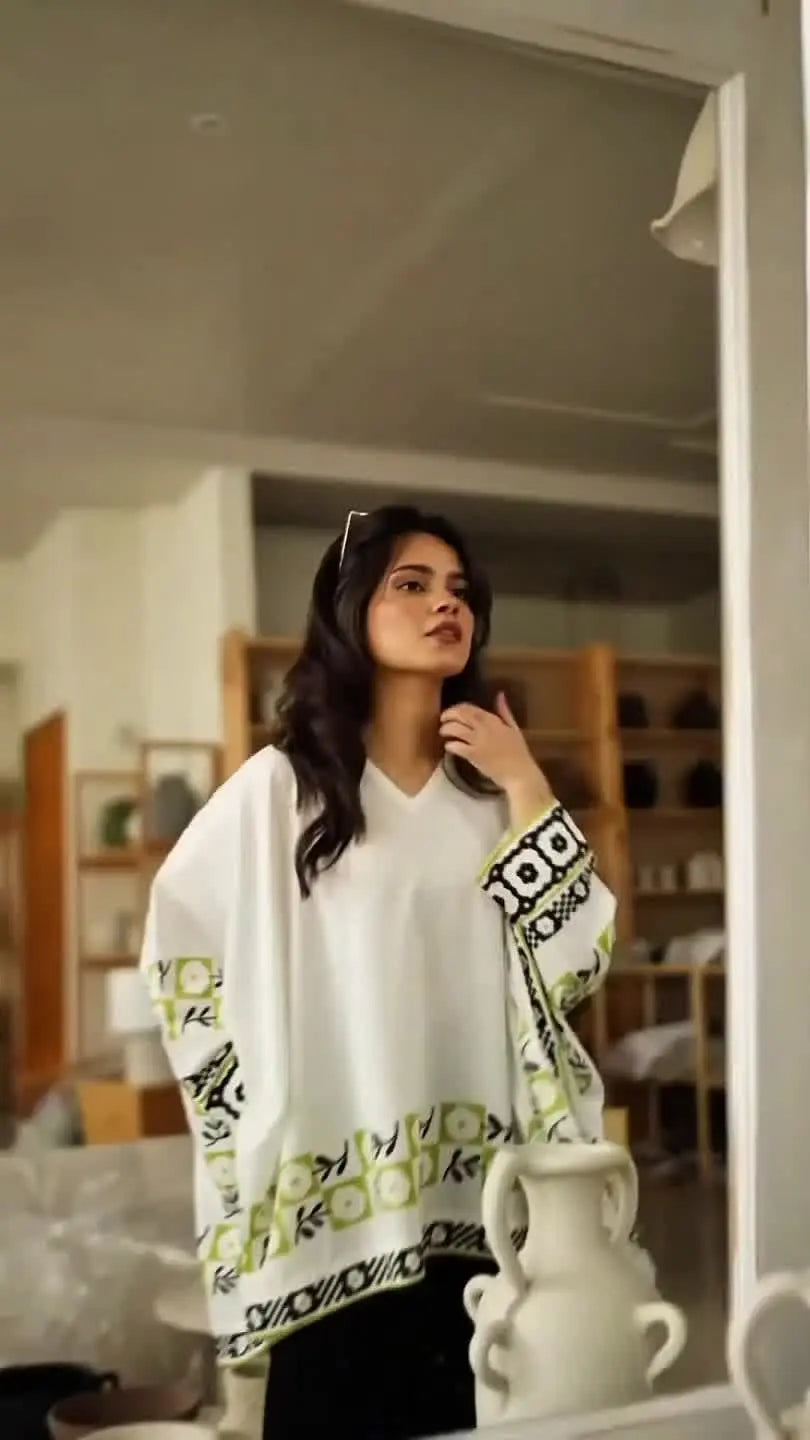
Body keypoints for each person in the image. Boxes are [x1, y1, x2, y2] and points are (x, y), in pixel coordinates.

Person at [140, 505, 615, 1440]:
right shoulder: (282, 792)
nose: (447, 604)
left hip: (482, 1206)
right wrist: (251, 1112)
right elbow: (181, 949)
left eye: (460, 590)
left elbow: (577, 962)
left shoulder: (491, 797)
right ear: (350, 609)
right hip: (334, 1218)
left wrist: (528, 785)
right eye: (413, 583)